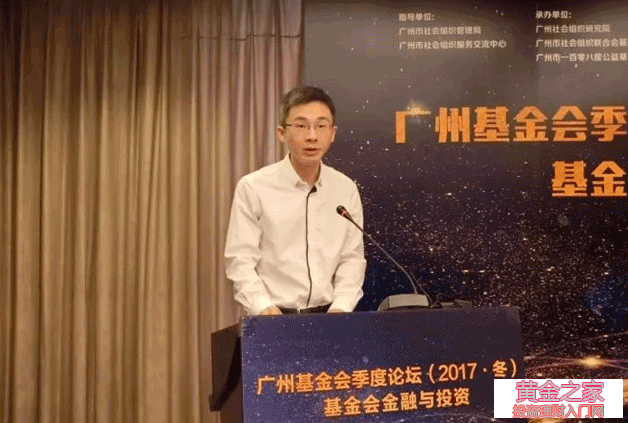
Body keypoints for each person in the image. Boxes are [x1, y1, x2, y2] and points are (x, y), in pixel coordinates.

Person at [224, 86, 366, 315]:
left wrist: (341, 307)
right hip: (273, 317)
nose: (312, 136)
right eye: (301, 126)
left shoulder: (345, 189)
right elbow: (240, 259)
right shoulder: (253, 187)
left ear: (333, 133)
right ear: (282, 133)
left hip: (329, 318)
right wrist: (263, 307)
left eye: (321, 126)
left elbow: (352, 259)